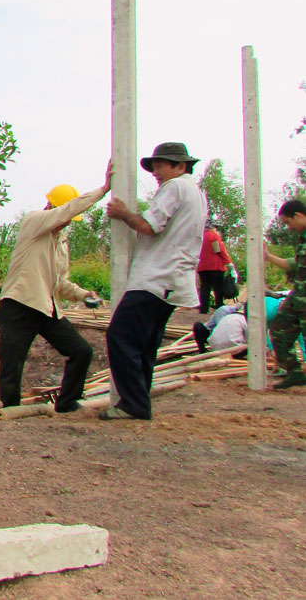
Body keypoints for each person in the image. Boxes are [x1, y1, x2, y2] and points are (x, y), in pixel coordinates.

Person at [0, 161, 113, 413]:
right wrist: (103, 189)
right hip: (18, 306)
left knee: (81, 351)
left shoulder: (61, 241)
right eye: (66, 217)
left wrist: (84, 294)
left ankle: (67, 402)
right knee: (11, 365)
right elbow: (67, 210)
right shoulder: (34, 222)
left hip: (46, 309)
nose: (67, 223)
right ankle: (11, 412)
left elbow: (60, 283)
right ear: (51, 207)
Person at [103, 142, 207, 420]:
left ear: (180, 166)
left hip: (157, 276)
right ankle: (138, 401)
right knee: (145, 343)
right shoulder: (195, 192)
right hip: (173, 279)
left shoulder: (175, 188)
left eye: (160, 165)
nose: (156, 173)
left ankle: (133, 404)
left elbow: (149, 225)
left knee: (121, 336)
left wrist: (123, 213)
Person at [263, 199, 306, 388]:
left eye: (288, 222)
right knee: (278, 330)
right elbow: (295, 263)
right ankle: (294, 372)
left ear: (298, 215)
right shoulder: (303, 238)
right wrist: (269, 257)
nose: (288, 227)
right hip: (297, 297)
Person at [196, 220, 235, 313]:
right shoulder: (213, 236)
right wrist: (229, 264)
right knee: (218, 288)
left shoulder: (199, 236)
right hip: (215, 266)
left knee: (205, 288)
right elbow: (219, 250)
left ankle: (204, 308)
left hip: (203, 266)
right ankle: (219, 306)